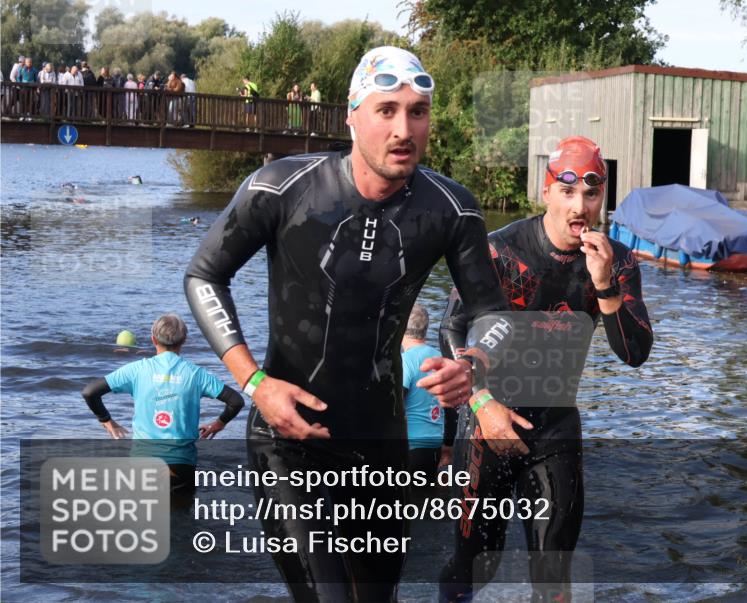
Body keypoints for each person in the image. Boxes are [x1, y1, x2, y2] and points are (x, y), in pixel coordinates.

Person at [184, 45, 514, 601]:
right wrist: (254, 383)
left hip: (383, 446)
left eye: (417, 111)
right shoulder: (283, 187)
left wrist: (474, 367)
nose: (403, 128)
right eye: (386, 110)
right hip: (288, 438)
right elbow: (203, 276)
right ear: (352, 116)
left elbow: (493, 315)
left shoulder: (451, 210)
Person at [438, 136, 654, 603]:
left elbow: (635, 354)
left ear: (602, 197)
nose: (580, 207)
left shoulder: (615, 261)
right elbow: (450, 330)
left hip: (555, 427)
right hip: (486, 426)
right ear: (547, 191)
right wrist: (482, 403)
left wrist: (604, 286)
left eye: (592, 194)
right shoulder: (499, 250)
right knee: (476, 567)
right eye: (568, 192)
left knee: (555, 576)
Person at [81, 314, 245, 508]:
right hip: (182, 464)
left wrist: (107, 421)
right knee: (181, 522)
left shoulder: (137, 370)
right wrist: (219, 424)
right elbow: (236, 401)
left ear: (153, 339)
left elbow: (90, 392)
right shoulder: (196, 374)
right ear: (184, 340)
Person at [401, 304, 446, 479]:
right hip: (435, 444)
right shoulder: (441, 358)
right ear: (426, 329)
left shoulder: (405, 361)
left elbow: (396, 405)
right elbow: (449, 407)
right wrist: (448, 444)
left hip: (410, 446)